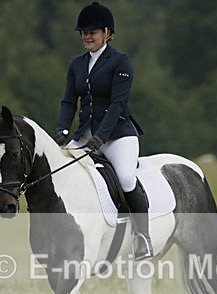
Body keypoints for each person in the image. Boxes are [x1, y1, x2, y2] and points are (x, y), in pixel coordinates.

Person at [54, 2, 152, 260]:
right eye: (83, 32)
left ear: (107, 33)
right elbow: (68, 101)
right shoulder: (76, 64)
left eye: (92, 32)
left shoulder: (121, 62)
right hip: (85, 135)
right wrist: (62, 130)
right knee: (60, 174)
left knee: (126, 178)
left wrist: (102, 136)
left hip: (118, 134)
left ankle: (143, 237)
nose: (87, 36)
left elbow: (117, 104)